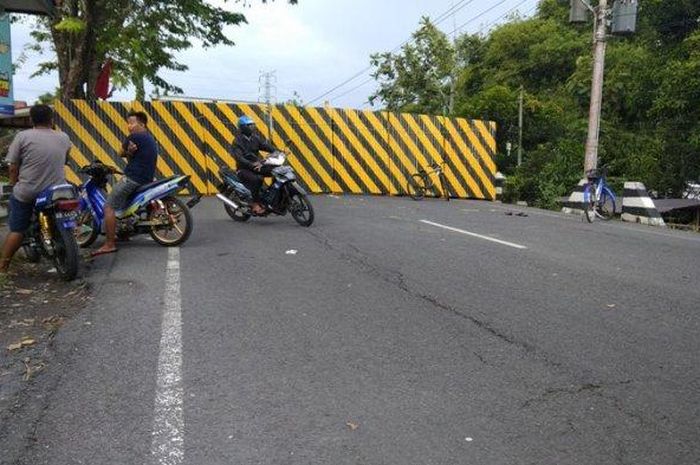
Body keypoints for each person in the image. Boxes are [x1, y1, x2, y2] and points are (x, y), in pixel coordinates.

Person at [0, 105, 72, 273]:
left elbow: (13, 167)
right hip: (57, 191)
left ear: (31, 119)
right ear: (51, 119)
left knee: (17, 229)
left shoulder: (22, 136)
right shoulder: (64, 137)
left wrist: (12, 184)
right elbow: (65, 159)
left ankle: (3, 267)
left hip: (28, 191)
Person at [92, 111, 157, 257]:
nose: (129, 126)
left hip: (132, 178)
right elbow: (130, 155)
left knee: (108, 206)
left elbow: (120, 152)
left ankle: (109, 244)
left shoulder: (134, 137)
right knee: (124, 205)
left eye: (132, 123)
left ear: (142, 124)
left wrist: (127, 151)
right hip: (146, 177)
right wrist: (130, 152)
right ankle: (124, 232)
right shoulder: (149, 137)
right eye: (128, 123)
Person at [232, 115, 279, 214]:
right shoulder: (237, 141)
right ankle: (255, 203)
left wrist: (277, 151)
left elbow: (266, 146)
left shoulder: (255, 138)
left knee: (276, 170)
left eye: (253, 125)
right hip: (244, 169)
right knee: (257, 179)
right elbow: (239, 158)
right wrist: (251, 164)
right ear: (243, 127)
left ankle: (273, 196)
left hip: (257, 166)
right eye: (250, 125)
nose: (252, 127)